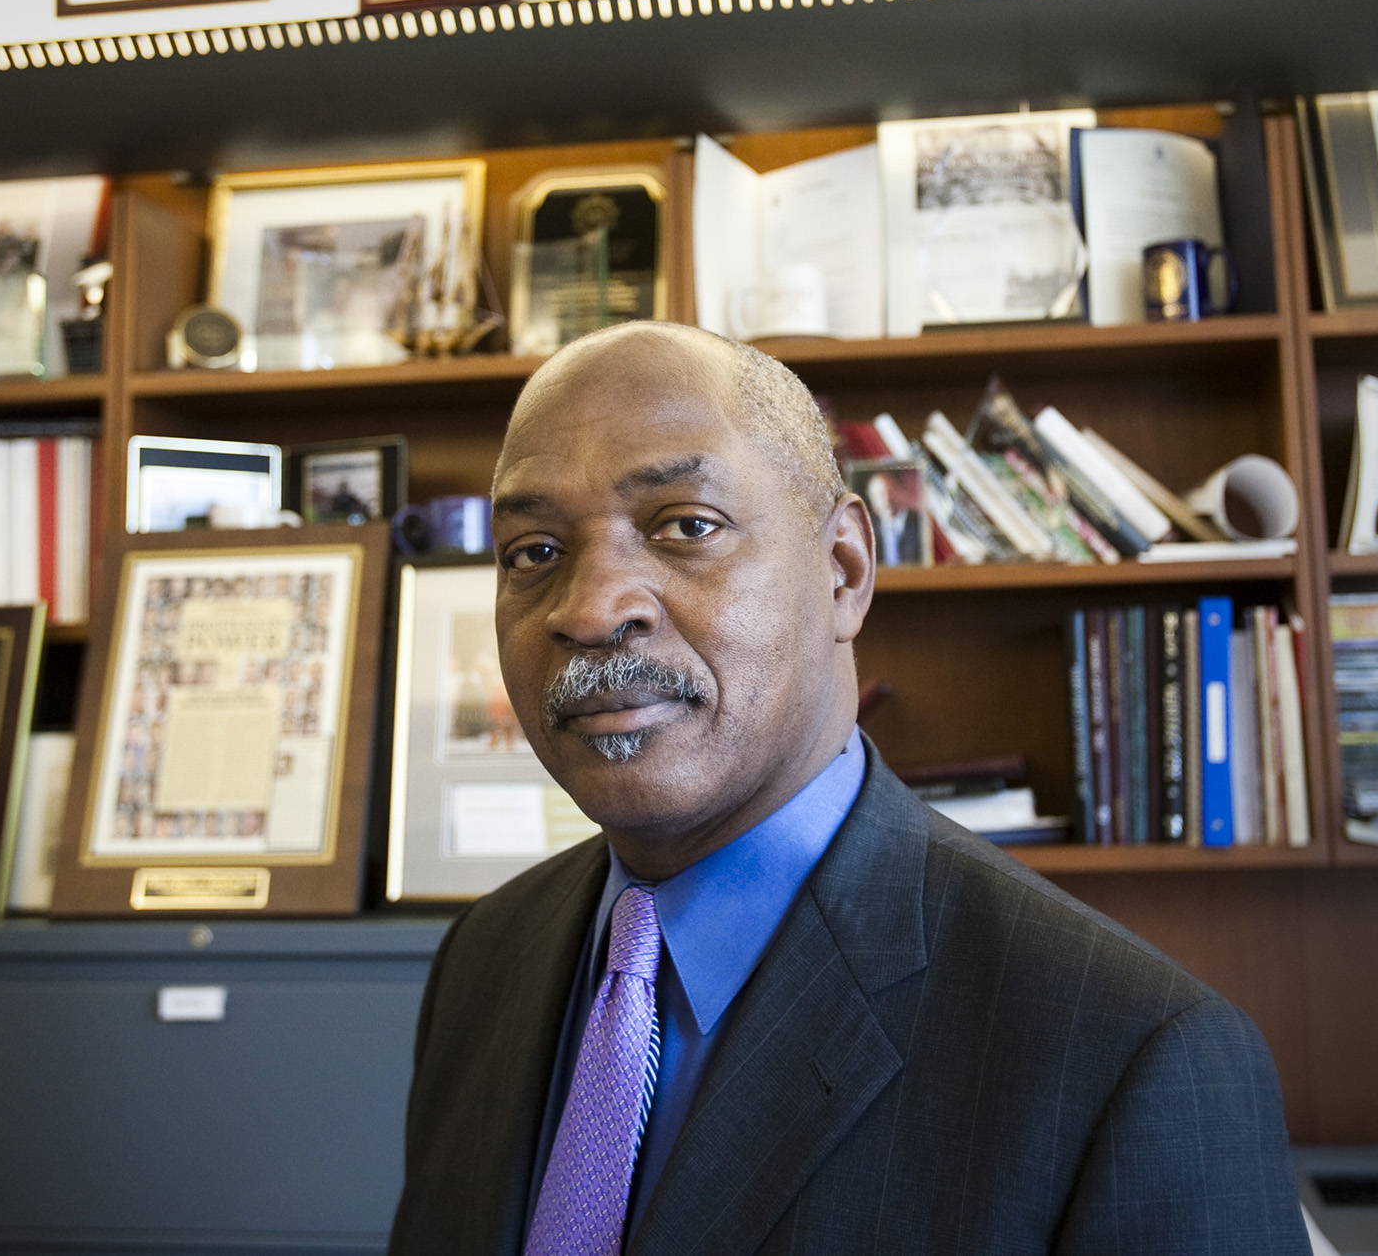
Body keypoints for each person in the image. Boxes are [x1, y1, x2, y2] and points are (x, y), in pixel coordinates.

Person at [392, 321, 1302, 1256]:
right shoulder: (484, 958)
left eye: (686, 525)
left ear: (844, 570)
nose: (589, 608)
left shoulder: (1134, 1058)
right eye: (533, 551)